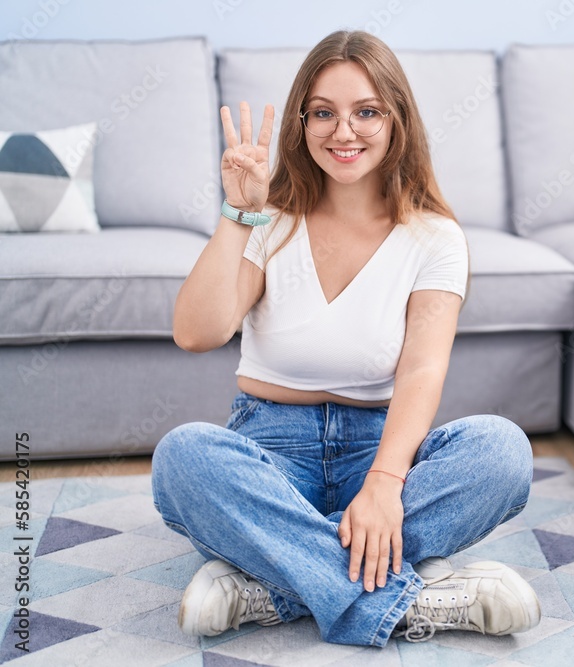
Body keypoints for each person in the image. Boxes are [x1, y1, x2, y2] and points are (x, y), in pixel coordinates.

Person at [150, 30, 540, 648]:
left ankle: (275, 583)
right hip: (269, 448)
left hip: (378, 449)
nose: (344, 132)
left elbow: (421, 372)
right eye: (324, 113)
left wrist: (384, 485)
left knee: (502, 451)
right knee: (183, 458)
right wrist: (236, 214)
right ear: (302, 124)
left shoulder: (436, 237)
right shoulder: (269, 219)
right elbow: (197, 332)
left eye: (366, 112)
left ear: (397, 120)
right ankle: (409, 597)